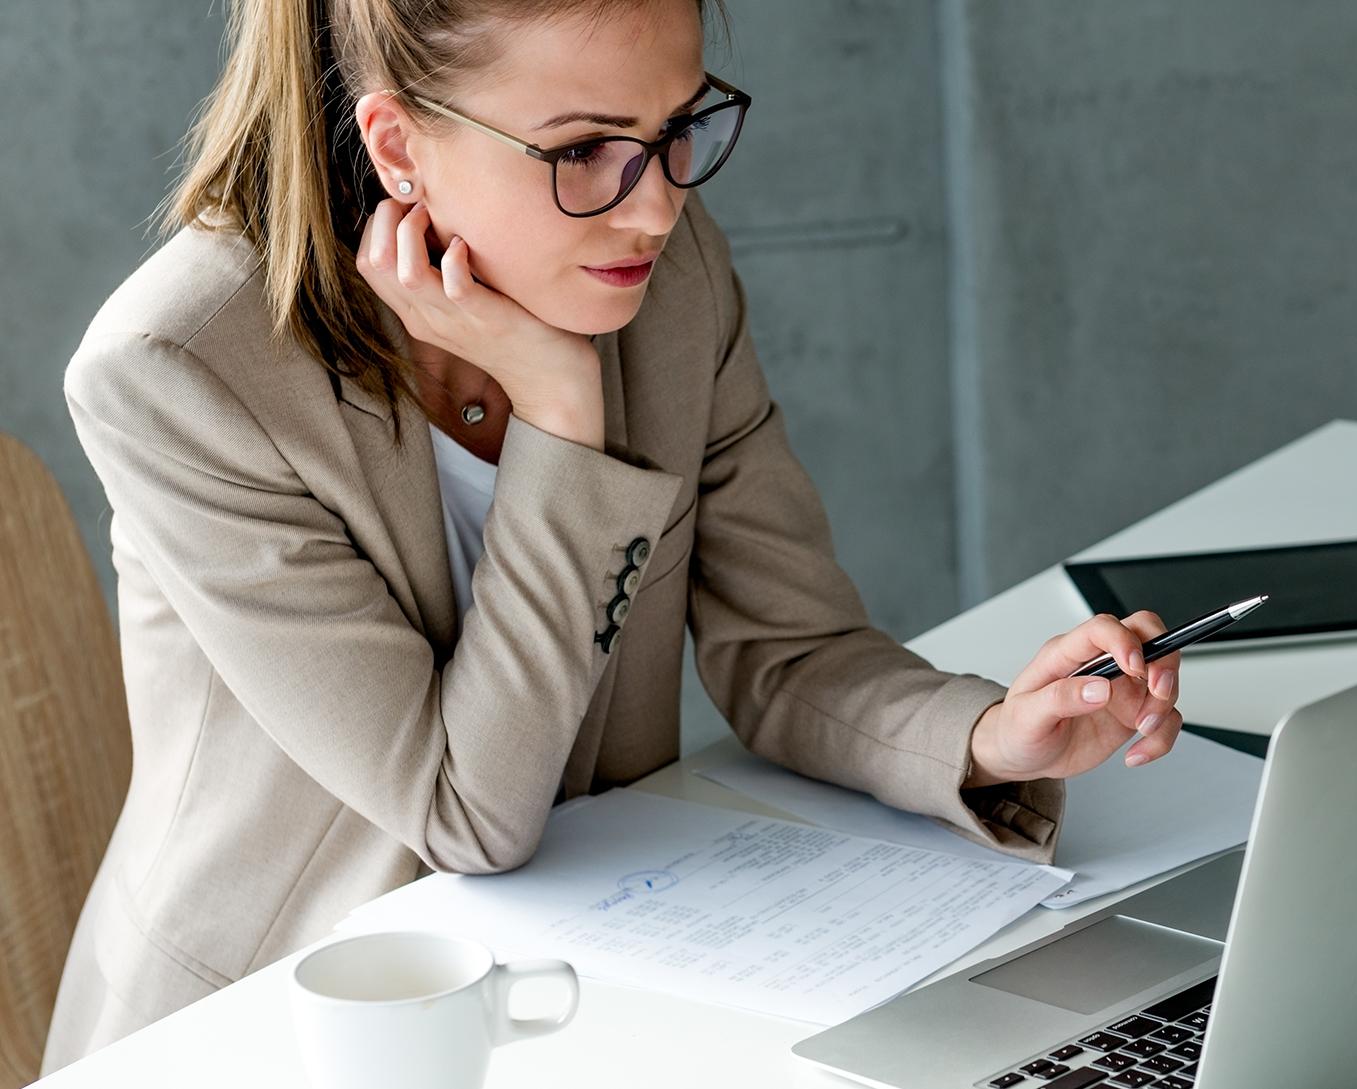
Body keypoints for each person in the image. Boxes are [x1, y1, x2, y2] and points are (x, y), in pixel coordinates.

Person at [43, 0, 1187, 1072]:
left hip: (592, 984)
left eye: (676, 128)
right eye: (584, 149)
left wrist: (988, 739)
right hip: (282, 1028)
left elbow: (788, 647)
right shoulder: (179, 371)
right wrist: (557, 407)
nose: (656, 207)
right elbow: (464, 812)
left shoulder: (667, 282)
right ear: (396, 146)